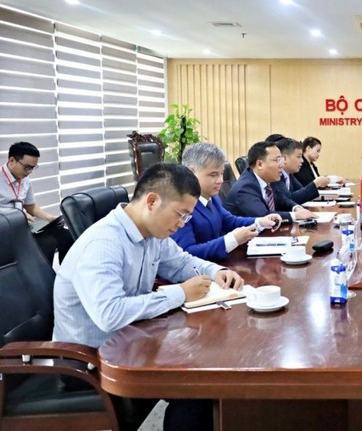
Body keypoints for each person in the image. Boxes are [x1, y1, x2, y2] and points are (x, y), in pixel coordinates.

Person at [53, 162, 245, 431]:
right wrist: (180, 293)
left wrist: (217, 272)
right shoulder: (103, 244)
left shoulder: (151, 234)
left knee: (212, 367)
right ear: (152, 201)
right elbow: (110, 315)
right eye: (180, 215)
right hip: (90, 361)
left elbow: (181, 263)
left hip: (131, 343)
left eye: (187, 217)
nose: (181, 224)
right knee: (197, 388)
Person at [171, 142, 281, 260]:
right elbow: (186, 253)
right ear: (191, 172)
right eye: (213, 175)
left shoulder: (212, 197)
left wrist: (260, 222)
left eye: (222, 173)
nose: (220, 180)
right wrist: (231, 240)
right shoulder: (179, 205)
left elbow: (230, 221)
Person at [0, 141, 73, 264]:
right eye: (27, 167)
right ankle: (42, 280)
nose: (29, 172)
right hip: (5, 229)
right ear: (12, 160)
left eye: (33, 168)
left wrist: (50, 218)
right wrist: (16, 215)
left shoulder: (25, 179)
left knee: (67, 236)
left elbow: (30, 207)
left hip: (23, 226)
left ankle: (65, 277)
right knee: (47, 243)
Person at [223, 140, 316, 221]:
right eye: (277, 160)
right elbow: (263, 216)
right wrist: (295, 216)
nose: (282, 165)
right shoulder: (245, 188)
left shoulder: (268, 180)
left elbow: (282, 200)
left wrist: (296, 208)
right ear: (260, 164)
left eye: (281, 160)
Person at [274, 137, 329, 204]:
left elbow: (302, 192)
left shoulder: (289, 174)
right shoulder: (275, 175)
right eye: (299, 157)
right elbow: (290, 199)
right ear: (285, 158)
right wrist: (316, 183)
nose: (302, 161)